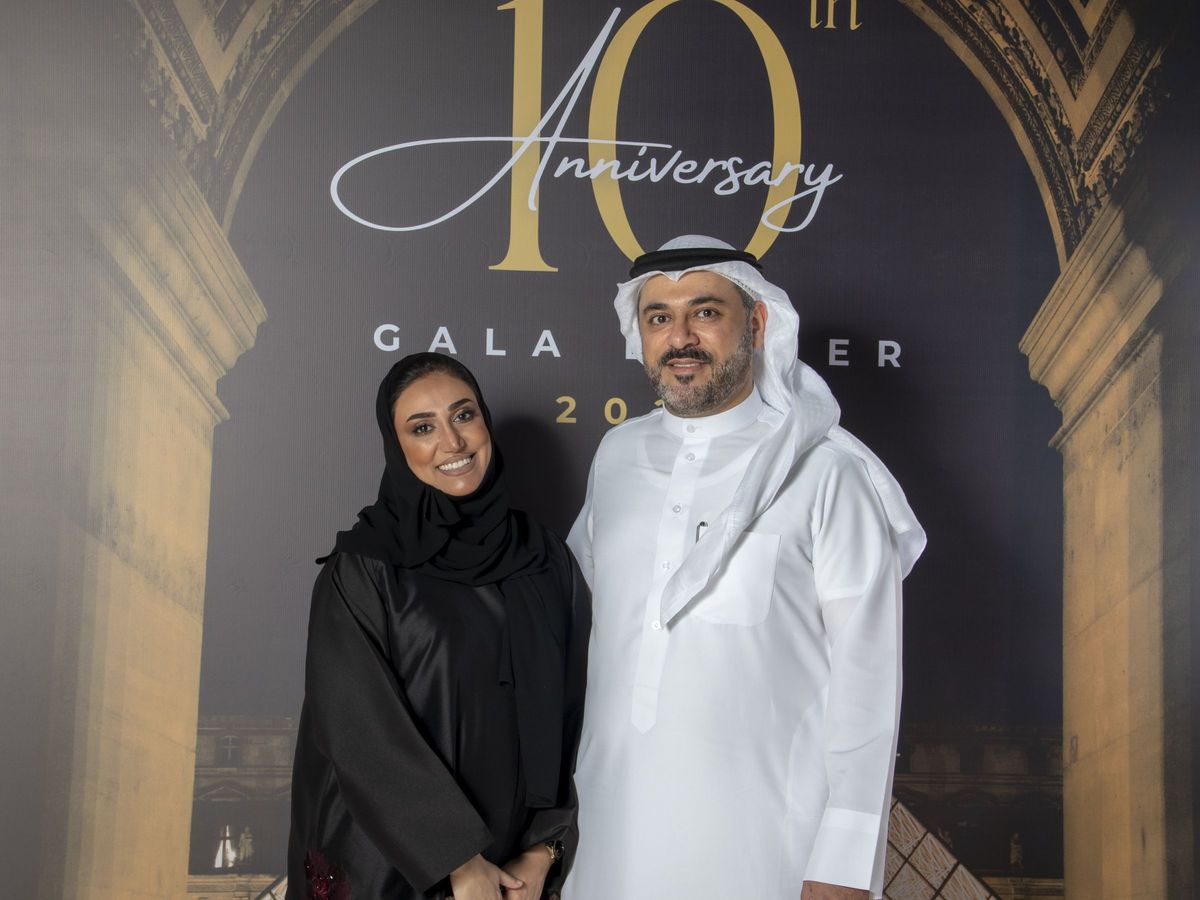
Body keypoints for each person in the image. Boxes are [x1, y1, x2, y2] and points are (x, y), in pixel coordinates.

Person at [563, 236, 926, 900]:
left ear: (757, 324)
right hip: (615, 842)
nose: (680, 338)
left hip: (771, 849)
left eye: (705, 312)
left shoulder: (828, 471)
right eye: (659, 317)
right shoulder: (614, 456)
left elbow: (867, 677)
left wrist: (843, 863)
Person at [287, 352, 590, 900]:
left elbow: (574, 710)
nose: (452, 443)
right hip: (388, 866)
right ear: (396, 446)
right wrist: (457, 860)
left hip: (512, 870)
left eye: (463, 415)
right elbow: (358, 730)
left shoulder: (544, 558)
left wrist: (546, 847)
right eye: (422, 428)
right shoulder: (365, 567)